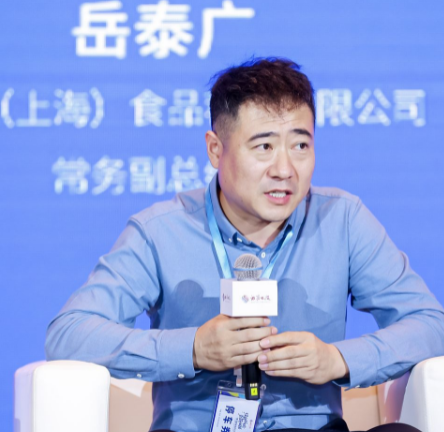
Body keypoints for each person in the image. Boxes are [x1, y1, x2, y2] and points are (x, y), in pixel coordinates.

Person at [45, 57, 444, 432]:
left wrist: (337, 359)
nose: (285, 170)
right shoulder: (159, 231)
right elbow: (70, 334)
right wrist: (193, 349)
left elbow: (431, 325)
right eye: (264, 147)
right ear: (215, 149)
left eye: (300, 146)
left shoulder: (342, 219)